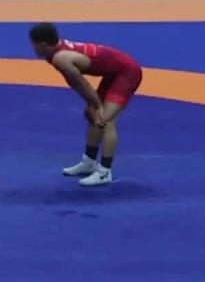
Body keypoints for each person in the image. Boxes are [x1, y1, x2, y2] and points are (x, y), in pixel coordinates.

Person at [29, 22, 143, 186]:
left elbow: (80, 84)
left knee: (105, 120)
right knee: (92, 117)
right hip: (114, 72)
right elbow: (78, 84)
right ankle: (89, 162)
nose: (32, 48)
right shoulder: (56, 50)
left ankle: (104, 172)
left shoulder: (61, 58)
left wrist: (96, 106)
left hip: (127, 72)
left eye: (33, 44)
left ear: (43, 45)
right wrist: (92, 105)